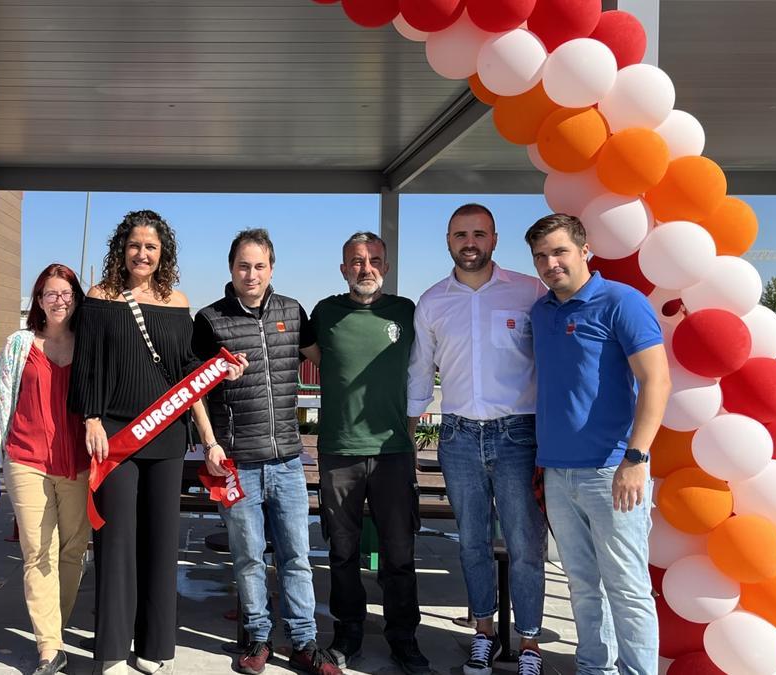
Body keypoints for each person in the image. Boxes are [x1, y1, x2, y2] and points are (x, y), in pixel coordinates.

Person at [70, 210, 246, 675]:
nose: (142, 253)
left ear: (162, 252)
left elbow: (186, 368)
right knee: (116, 541)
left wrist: (219, 371)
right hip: (116, 439)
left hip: (166, 440)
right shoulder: (100, 297)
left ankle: (153, 647)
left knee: (161, 542)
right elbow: (86, 365)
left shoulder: (176, 301)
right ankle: (109, 648)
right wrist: (90, 418)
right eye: (134, 245)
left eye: (150, 246)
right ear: (121, 250)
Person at [406, 204, 549, 675]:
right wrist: (410, 441)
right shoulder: (431, 301)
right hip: (459, 436)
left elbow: (553, 363)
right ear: (448, 240)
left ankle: (529, 643)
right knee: (471, 541)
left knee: (526, 543)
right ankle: (483, 633)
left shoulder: (530, 292)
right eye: (460, 234)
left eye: (479, 234)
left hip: (518, 435)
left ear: (494, 239)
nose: (470, 241)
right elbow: (419, 375)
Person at [191, 229, 341, 675]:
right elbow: (195, 390)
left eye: (259, 266)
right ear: (231, 268)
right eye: (243, 265)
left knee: (297, 556)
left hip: (288, 461)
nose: (251, 273)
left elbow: (326, 359)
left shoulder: (293, 312)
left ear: (271, 268)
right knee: (249, 555)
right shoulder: (209, 319)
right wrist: (210, 443)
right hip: (237, 463)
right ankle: (257, 638)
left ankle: (304, 642)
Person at [526, 214, 670, 675]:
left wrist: (636, 457)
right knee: (583, 585)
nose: (550, 263)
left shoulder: (620, 302)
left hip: (612, 471)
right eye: (541, 256)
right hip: (557, 469)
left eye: (559, 251)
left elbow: (657, 380)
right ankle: (594, 668)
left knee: (626, 588)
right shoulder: (541, 311)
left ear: (585, 251)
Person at [300, 231, 428, 674]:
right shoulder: (325, 313)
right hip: (339, 452)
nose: (365, 268)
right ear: (343, 269)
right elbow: (305, 353)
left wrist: (409, 433)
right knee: (342, 550)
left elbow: (427, 367)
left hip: (393, 451)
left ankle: (403, 637)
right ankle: (348, 632)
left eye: (374, 260)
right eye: (356, 261)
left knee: (399, 552)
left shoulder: (406, 313)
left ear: (386, 267)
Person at [0, 263, 91, 675]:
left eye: (66, 293)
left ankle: (56, 627)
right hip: (26, 460)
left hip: (80, 464)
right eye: (50, 293)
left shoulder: (90, 345)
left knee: (72, 552)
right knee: (38, 553)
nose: (58, 301)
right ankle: (49, 647)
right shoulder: (20, 344)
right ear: (38, 299)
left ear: (77, 299)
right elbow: (2, 400)